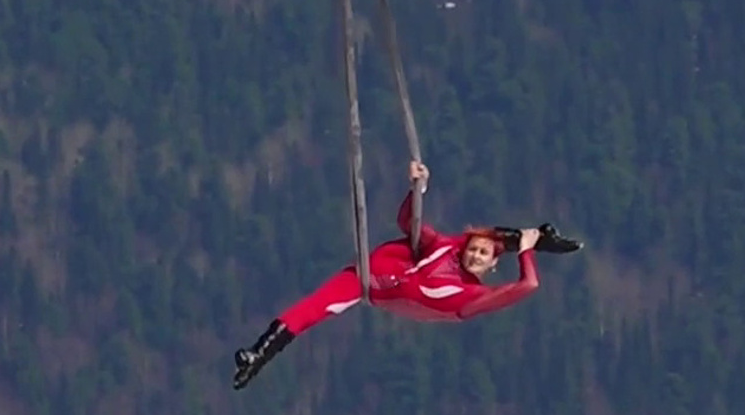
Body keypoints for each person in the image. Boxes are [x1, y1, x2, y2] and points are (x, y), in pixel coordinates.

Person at [232, 160, 581, 390]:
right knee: (314, 307)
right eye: (474, 248)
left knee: (325, 303)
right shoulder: (445, 246)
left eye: (483, 254)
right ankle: (259, 354)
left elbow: (528, 284)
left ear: (493, 265)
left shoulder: (474, 298)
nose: (475, 254)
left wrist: (528, 247)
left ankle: (536, 235)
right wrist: (418, 188)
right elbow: (408, 222)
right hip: (375, 278)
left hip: (389, 291)